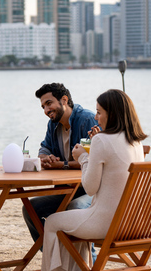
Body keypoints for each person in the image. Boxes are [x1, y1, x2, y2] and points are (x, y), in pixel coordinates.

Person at [41, 89, 148, 271]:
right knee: (73, 221)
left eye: (99, 112)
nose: (96, 118)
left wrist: (83, 157)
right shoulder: (135, 142)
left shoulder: (102, 140)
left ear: (111, 114)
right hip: (134, 224)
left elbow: (90, 188)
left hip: (106, 224)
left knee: (52, 222)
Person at [22, 83, 98, 247]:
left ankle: (83, 262)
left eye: (49, 103)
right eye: (43, 106)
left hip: (92, 189)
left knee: (75, 207)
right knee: (30, 208)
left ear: (64, 100)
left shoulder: (87, 120)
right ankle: (54, 256)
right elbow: (45, 146)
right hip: (69, 188)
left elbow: (94, 161)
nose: (46, 110)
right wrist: (44, 157)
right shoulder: (53, 123)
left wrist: (62, 165)